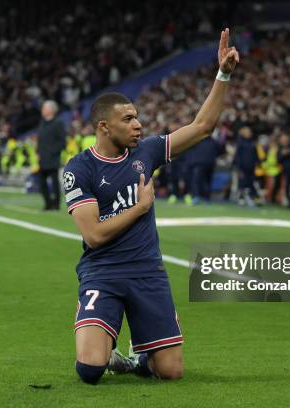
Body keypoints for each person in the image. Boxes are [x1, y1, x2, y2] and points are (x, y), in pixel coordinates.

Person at [63, 29, 239, 384]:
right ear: (103, 126)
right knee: (90, 370)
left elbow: (203, 126)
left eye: (137, 117)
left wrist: (223, 74)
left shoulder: (147, 152)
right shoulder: (79, 168)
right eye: (127, 119)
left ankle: (137, 357)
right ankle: (100, 334)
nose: (138, 124)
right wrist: (139, 208)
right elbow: (94, 235)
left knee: (170, 372)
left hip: (147, 272)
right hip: (103, 272)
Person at [37, 100, 66, 210]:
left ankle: (56, 205)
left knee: (54, 183)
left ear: (51, 110)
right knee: (42, 183)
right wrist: (38, 152)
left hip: (53, 159)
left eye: (44, 108)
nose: (42, 110)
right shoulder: (42, 123)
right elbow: (40, 141)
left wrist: (52, 152)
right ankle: (48, 204)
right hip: (42, 159)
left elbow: (62, 142)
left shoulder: (58, 123)